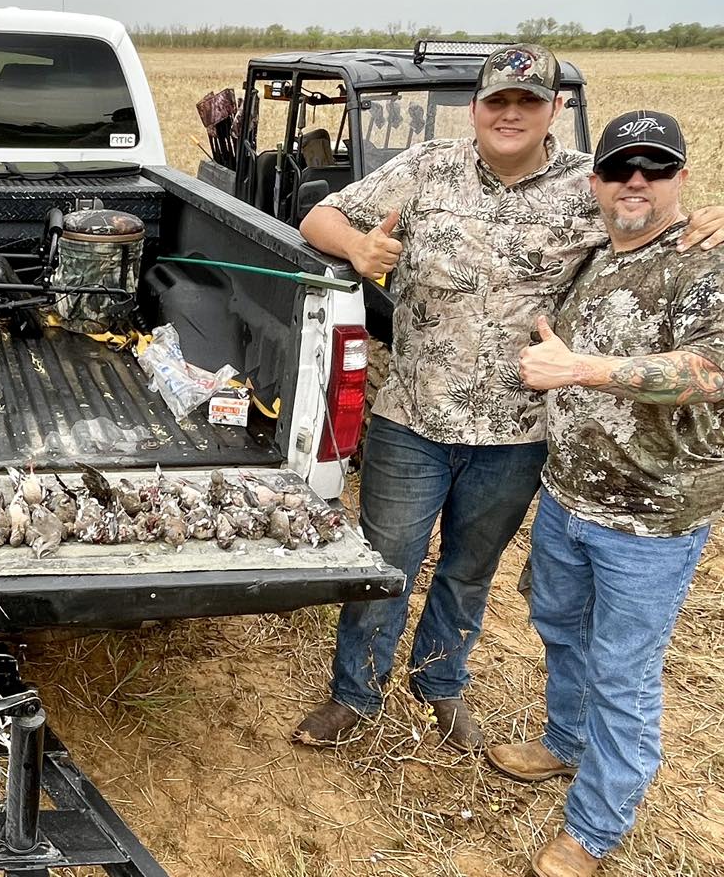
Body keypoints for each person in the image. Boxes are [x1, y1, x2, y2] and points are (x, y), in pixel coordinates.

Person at [291, 45, 724, 751]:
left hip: (519, 434)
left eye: (529, 102)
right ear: (477, 109)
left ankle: (440, 684)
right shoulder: (427, 167)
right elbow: (320, 217)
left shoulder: (592, 183)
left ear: (555, 110)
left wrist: (714, 217)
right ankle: (354, 695)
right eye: (498, 101)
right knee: (382, 566)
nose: (511, 114)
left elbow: (656, 222)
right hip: (410, 418)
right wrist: (358, 248)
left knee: (468, 571)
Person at [487, 110, 724, 877]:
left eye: (656, 169)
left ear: (681, 180)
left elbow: (712, 373)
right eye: (622, 168)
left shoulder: (705, 263)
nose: (636, 181)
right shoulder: (594, 254)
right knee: (559, 628)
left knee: (623, 673)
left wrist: (585, 369)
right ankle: (564, 743)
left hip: (650, 521)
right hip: (567, 499)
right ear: (596, 181)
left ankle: (593, 829)